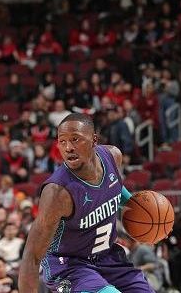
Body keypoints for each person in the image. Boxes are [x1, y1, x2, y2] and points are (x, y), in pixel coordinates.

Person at [19, 113, 154, 292]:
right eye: (62, 141)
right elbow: (31, 256)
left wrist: (141, 212)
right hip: (68, 266)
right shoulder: (57, 193)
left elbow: (113, 190)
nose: (68, 148)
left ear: (94, 140)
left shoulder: (113, 157)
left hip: (107, 257)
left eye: (75, 139)